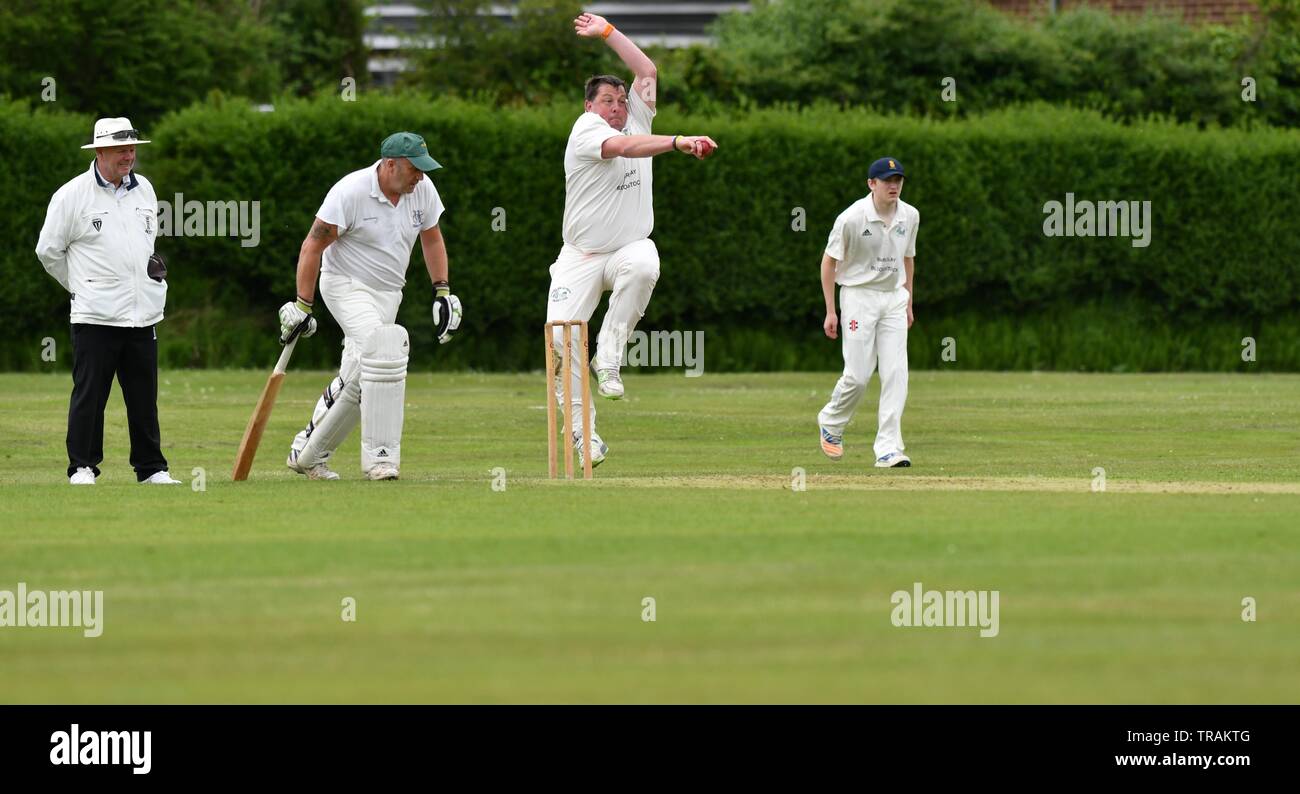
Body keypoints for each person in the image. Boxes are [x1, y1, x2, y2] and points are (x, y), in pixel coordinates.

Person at [546, 11, 718, 467]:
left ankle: (610, 355)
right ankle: (585, 437)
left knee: (645, 262)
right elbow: (623, 148)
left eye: (622, 100)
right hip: (579, 256)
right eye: (608, 100)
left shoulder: (638, 115)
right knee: (562, 341)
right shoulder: (586, 130)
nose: (619, 107)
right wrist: (678, 141)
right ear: (590, 107)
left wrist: (607, 33)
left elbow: (647, 71)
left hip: (628, 246)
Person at [282, 132, 462, 481]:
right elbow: (312, 246)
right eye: (414, 169)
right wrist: (303, 305)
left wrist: (443, 291)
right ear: (390, 165)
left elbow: (432, 238)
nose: (421, 177)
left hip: (389, 293)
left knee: (360, 375)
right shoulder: (350, 192)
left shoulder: (422, 191)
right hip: (345, 285)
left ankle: (308, 451)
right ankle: (381, 459)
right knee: (384, 354)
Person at [36, 117, 179, 486]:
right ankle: (82, 467)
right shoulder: (72, 195)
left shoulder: (144, 189)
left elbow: (145, 243)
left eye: (131, 149)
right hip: (95, 315)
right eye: (120, 150)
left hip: (142, 313)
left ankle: (151, 469)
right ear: (100, 151)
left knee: (143, 398)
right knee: (90, 395)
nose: (128, 156)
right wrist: (80, 286)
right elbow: (48, 251)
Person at [817, 157, 919, 468]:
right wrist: (830, 310)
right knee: (859, 376)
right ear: (871, 184)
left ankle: (889, 448)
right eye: (887, 180)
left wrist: (909, 300)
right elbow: (828, 263)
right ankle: (831, 421)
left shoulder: (910, 215)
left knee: (896, 373)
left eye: (898, 179)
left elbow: (908, 258)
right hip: (858, 296)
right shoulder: (851, 218)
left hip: (893, 299)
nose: (894, 185)